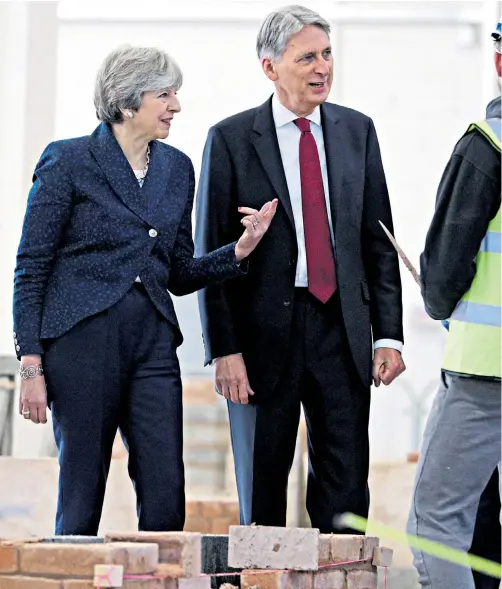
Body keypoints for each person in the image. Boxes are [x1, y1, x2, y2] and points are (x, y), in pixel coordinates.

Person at [12, 45, 277, 536]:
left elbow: (176, 272)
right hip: (80, 342)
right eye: (165, 95)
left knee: (165, 490)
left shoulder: (177, 168)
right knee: (82, 490)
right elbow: (31, 267)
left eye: (175, 94)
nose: (176, 105)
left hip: (152, 341)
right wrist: (31, 362)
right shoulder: (69, 160)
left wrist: (237, 252)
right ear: (128, 103)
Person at [195, 5, 405, 532]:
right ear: (270, 67)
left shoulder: (358, 131)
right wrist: (224, 349)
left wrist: (390, 336)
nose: (323, 68)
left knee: (346, 498)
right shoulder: (231, 139)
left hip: (342, 330)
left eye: (328, 54)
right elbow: (211, 256)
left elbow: (378, 242)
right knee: (262, 495)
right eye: (307, 57)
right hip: (263, 342)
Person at [406, 19, 502, 589]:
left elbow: (441, 270)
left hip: (485, 370)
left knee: (436, 523)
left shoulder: (487, 147)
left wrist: (443, 305)